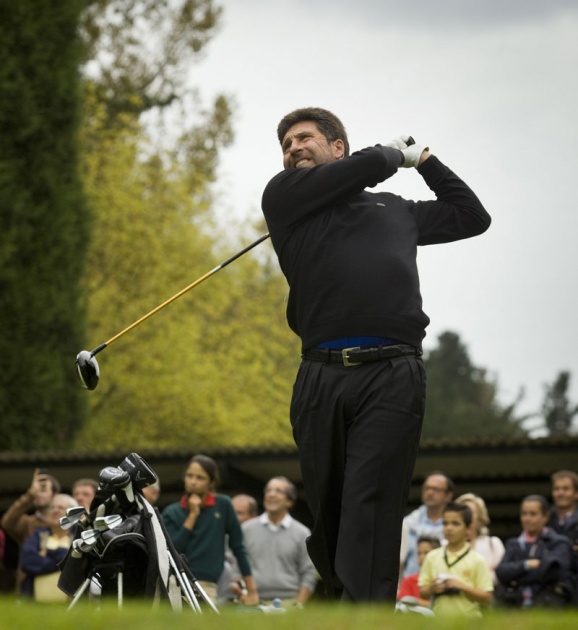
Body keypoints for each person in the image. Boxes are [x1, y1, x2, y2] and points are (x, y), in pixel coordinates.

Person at [261, 107, 490, 602]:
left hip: (391, 373)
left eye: (305, 138)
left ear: (337, 146)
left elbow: (473, 217)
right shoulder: (285, 202)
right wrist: (391, 153)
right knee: (329, 510)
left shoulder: (396, 210)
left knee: (371, 500)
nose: (294, 148)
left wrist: (424, 160)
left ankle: (366, 610)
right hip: (320, 377)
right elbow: (366, 167)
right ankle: (343, 598)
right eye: (286, 145)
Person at [161, 455, 259, 605]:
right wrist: (193, 515)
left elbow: (238, 547)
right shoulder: (171, 512)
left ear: (211, 482)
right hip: (174, 583)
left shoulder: (223, 505)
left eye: (200, 478)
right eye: (189, 476)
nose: (193, 482)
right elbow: (172, 551)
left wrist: (252, 591)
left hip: (207, 586)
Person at [240, 477, 317, 606]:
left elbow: (309, 573)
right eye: (268, 490)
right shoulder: (246, 529)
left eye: (278, 491)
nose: (271, 494)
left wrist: (298, 604)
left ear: (290, 501)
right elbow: (236, 567)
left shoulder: (302, 533)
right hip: (253, 602)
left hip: (289, 603)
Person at [495, 494, 573, 608]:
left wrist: (515, 577)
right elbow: (501, 572)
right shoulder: (513, 544)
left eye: (533, 514)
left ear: (545, 517)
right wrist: (527, 565)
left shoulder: (559, 543)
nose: (527, 519)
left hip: (548, 606)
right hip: (516, 607)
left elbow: (552, 572)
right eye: (524, 514)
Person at [419, 502, 493, 617]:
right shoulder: (432, 557)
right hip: (438, 621)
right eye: (445, 523)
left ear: (468, 529)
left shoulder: (477, 560)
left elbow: (487, 598)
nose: (449, 528)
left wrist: (463, 587)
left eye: (455, 523)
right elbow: (423, 592)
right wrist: (432, 588)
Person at [1, 469, 61, 593]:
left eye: (43, 489)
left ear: (54, 494)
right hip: (28, 588)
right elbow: (7, 522)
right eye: (36, 490)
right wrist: (30, 494)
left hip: (57, 587)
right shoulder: (28, 523)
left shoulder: (63, 524)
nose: (38, 493)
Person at [20, 494, 77, 603]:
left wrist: (47, 554)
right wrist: (65, 559)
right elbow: (27, 562)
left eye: (60, 507)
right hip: (36, 607)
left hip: (72, 609)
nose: (55, 510)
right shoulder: (38, 535)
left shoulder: (79, 536)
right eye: (52, 507)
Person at [401, 472, 455, 577]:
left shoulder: (456, 526)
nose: (430, 492)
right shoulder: (407, 524)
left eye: (436, 489)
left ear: (448, 496)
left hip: (444, 586)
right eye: (426, 488)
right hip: (411, 587)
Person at [455, 492, 505, 583]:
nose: (466, 516)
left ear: (480, 517)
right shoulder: (444, 544)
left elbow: (502, 575)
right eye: (462, 512)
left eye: (470, 512)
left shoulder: (493, 543)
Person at [548, 470, 578, 604]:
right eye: (557, 489)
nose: (561, 493)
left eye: (566, 489)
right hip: (549, 583)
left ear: (576, 493)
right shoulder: (544, 518)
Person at [397, 535, 440, 607]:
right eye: (419, 553)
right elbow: (403, 600)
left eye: (426, 553)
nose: (421, 557)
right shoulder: (409, 580)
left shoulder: (442, 581)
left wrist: (415, 602)